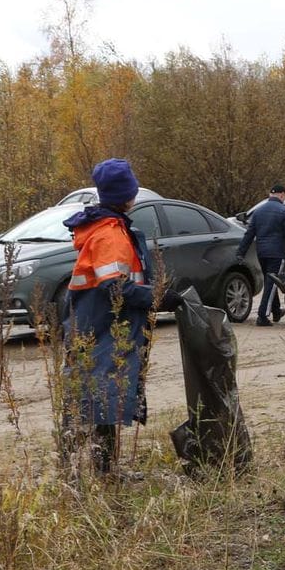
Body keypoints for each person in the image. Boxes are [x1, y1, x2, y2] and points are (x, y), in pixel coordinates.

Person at [62, 158, 182, 475]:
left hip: (96, 324)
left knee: (98, 396)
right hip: (102, 327)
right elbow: (115, 287)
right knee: (100, 397)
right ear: (127, 195)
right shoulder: (110, 235)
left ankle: (98, 470)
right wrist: (157, 298)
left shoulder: (108, 229)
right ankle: (98, 473)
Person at [236, 182, 285, 326]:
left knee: (271, 282)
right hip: (277, 253)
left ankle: (276, 311)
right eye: (284, 197)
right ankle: (262, 315)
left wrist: (240, 253)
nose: (284, 200)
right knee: (271, 284)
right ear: (282, 195)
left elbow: (249, 234)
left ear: (270, 194)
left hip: (261, 253)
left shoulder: (259, 211)